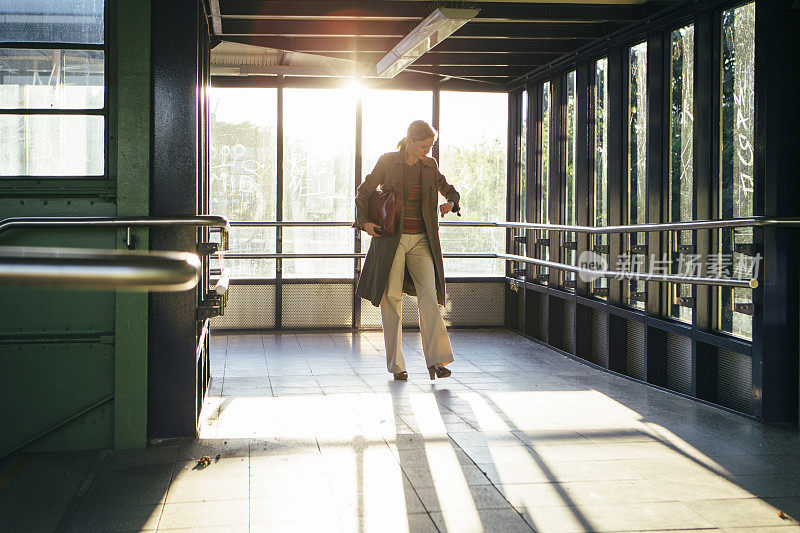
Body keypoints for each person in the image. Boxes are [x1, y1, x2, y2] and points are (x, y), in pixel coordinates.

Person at [355, 120, 460, 381]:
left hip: (422, 239)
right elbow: (364, 191)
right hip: (392, 239)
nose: (427, 150)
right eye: (423, 146)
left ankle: (437, 361)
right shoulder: (388, 161)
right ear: (410, 140)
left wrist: (451, 201)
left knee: (430, 296)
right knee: (392, 298)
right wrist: (364, 222)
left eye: (431, 146)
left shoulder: (430, 165)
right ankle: (396, 365)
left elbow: (447, 187)